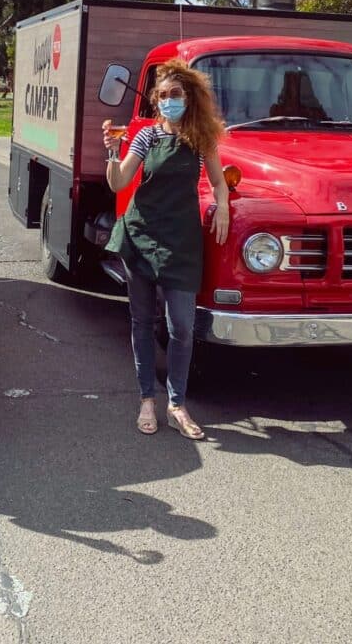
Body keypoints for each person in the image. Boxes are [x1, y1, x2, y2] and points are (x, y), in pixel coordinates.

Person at [103, 59, 229, 441]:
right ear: (155, 101)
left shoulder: (201, 139)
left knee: (182, 328)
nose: (169, 101)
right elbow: (120, 181)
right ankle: (146, 399)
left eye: (176, 94)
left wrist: (223, 205)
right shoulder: (147, 137)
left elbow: (220, 183)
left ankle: (177, 403)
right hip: (140, 234)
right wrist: (112, 152)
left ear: (190, 98)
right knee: (142, 323)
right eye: (163, 96)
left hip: (181, 241)